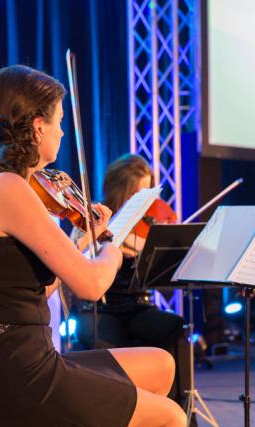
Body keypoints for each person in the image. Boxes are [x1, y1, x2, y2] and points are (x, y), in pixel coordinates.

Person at [0, 65, 186, 427]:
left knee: (161, 366)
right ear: (38, 126)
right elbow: (92, 284)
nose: (61, 130)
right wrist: (113, 244)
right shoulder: (8, 188)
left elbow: (42, 285)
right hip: (10, 373)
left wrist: (82, 241)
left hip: (9, 359)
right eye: (58, 120)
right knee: (170, 416)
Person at [72, 153, 191, 412]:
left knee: (176, 326)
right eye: (138, 194)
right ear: (120, 190)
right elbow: (74, 261)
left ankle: (179, 411)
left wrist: (155, 248)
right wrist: (107, 243)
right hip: (101, 309)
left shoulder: (147, 225)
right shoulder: (94, 219)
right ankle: (121, 414)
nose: (145, 203)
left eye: (148, 193)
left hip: (138, 306)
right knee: (106, 347)